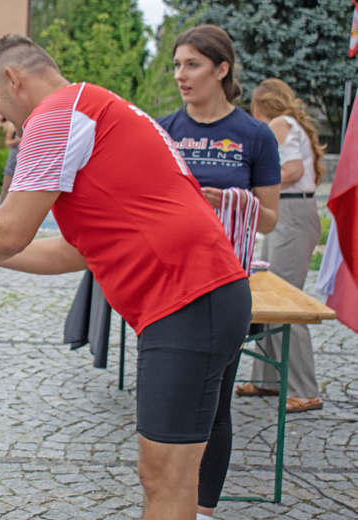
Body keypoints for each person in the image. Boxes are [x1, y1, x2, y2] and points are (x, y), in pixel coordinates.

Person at [0, 34, 253, 520]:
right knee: (180, 477)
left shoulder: (54, 116)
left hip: (186, 299)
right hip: (207, 293)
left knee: (164, 479)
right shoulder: (94, 106)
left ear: (14, 78)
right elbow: (73, 252)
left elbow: (9, 231)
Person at [157, 25, 281, 520]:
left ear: (222, 69)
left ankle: (203, 511)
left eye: (192, 65)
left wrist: (231, 200)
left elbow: (269, 217)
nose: (180, 75)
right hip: (170, 283)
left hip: (226, 284)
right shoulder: (165, 129)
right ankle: (165, 501)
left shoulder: (255, 135)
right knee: (164, 403)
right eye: (176, 65)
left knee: (215, 405)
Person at [246, 78, 325, 413]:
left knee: (285, 300)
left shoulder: (279, 123)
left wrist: (255, 179)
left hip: (291, 212)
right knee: (267, 292)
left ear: (263, 105)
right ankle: (267, 379)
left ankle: (304, 389)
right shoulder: (293, 124)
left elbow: (290, 170)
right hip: (291, 211)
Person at [0, 119, 20, 205]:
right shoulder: (12, 126)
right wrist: (16, 141)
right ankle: (0, 208)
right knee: (6, 186)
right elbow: (7, 142)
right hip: (14, 155)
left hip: (26, 155)